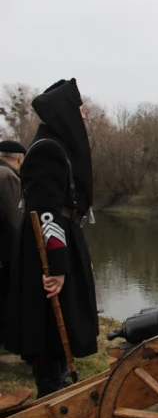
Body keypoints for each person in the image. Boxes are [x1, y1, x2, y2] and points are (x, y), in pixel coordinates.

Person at [3, 79, 98, 398]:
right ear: (65, 112)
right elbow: (45, 212)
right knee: (45, 322)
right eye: (80, 110)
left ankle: (55, 381)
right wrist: (56, 265)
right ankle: (50, 387)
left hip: (62, 239)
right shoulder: (47, 149)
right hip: (46, 247)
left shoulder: (57, 146)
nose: (84, 117)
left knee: (63, 318)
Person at [0, 140, 26, 345]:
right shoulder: (8, 176)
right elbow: (13, 219)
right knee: (7, 295)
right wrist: (23, 249)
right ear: (19, 158)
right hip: (6, 251)